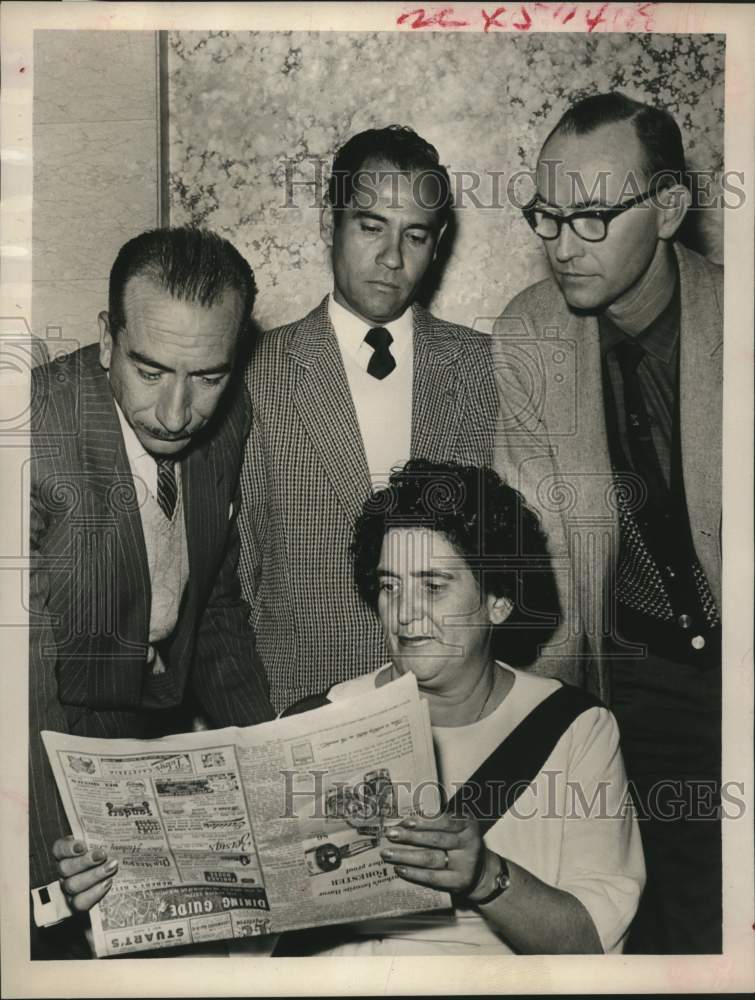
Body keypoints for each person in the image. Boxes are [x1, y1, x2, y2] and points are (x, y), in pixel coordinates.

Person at [55, 460, 644, 955]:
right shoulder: (311, 721)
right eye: (389, 586)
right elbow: (244, 938)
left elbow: (591, 938)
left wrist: (485, 876)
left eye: (433, 587)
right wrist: (112, 886)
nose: (405, 615)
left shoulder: (576, 729)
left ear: (497, 602)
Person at [492, 92, 722, 952]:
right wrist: (548, 733)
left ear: (666, 209)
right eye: (545, 215)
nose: (559, 245)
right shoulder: (526, 334)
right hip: (630, 672)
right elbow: (541, 555)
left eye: (591, 217)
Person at [29, 227, 274, 958]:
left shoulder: (226, 424)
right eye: (149, 369)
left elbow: (216, 604)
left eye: (206, 377)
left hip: (146, 740)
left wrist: (268, 763)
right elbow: (20, 672)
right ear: (107, 339)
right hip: (37, 735)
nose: (176, 414)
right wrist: (50, 872)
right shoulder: (30, 432)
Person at [237, 125, 506, 716]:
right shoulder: (253, 373)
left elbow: (507, 560)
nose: (391, 258)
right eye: (370, 227)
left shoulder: (485, 368)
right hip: (303, 707)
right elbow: (235, 580)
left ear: (437, 248)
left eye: (415, 235)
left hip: (453, 713)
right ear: (329, 225)